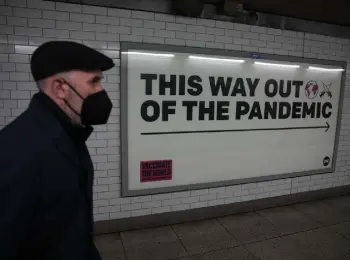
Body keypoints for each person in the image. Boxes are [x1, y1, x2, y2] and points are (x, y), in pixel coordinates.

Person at [0, 41, 115, 260]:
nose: (101, 91)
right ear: (60, 88)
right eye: (94, 82)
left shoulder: (69, 133)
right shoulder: (17, 153)